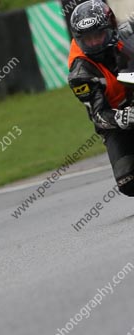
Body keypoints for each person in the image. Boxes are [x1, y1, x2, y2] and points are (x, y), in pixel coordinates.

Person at [68, 0, 134, 195]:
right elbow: (98, 115)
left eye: (98, 35)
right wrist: (121, 117)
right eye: (88, 39)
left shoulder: (125, 33)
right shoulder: (80, 75)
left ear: (111, 28)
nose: (94, 43)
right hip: (114, 119)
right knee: (128, 182)